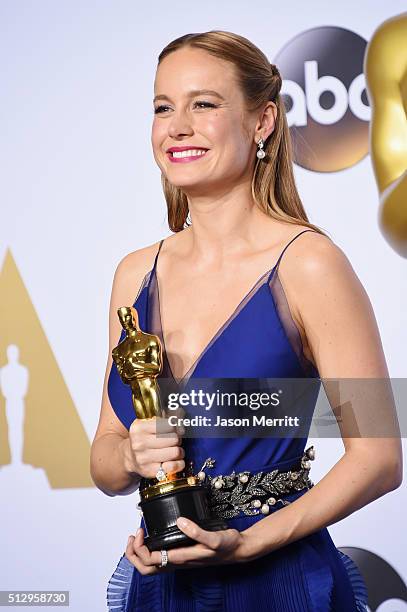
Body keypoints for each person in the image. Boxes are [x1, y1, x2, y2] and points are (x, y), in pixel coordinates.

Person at [90, 30, 402, 612]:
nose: (176, 126)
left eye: (203, 104)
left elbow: (379, 458)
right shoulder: (133, 273)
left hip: (278, 583)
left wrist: (249, 542)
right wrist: (132, 457)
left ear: (261, 122)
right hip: (163, 583)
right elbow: (105, 459)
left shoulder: (309, 264)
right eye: (163, 107)